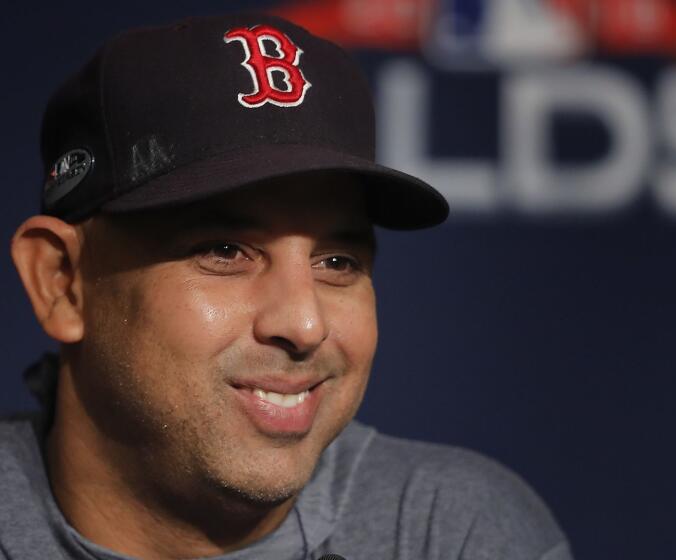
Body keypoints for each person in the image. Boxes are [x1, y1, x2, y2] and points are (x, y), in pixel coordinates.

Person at [0, 12, 572, 560]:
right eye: (224, 251)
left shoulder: (453, 533)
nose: (304, 324)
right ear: (62, 282)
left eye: (338, 261)